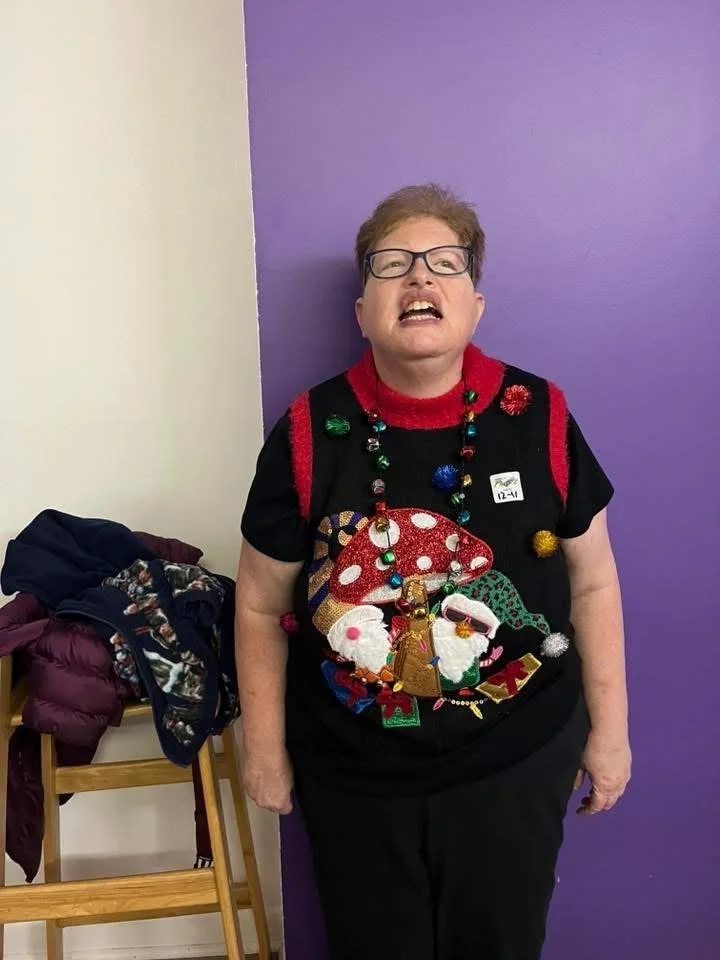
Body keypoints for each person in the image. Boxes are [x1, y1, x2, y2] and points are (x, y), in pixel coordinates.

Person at [236, 184, 631, 960]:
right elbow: (256, 607)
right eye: (392, 266)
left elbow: (592, 584)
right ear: (362, 312)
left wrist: (610, 734)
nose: (419, 280)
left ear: (475, 304)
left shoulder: (539, 414)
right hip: (352, 773)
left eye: (443, 263)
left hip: (517, 758)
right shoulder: (310, 430)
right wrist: (267, 750)